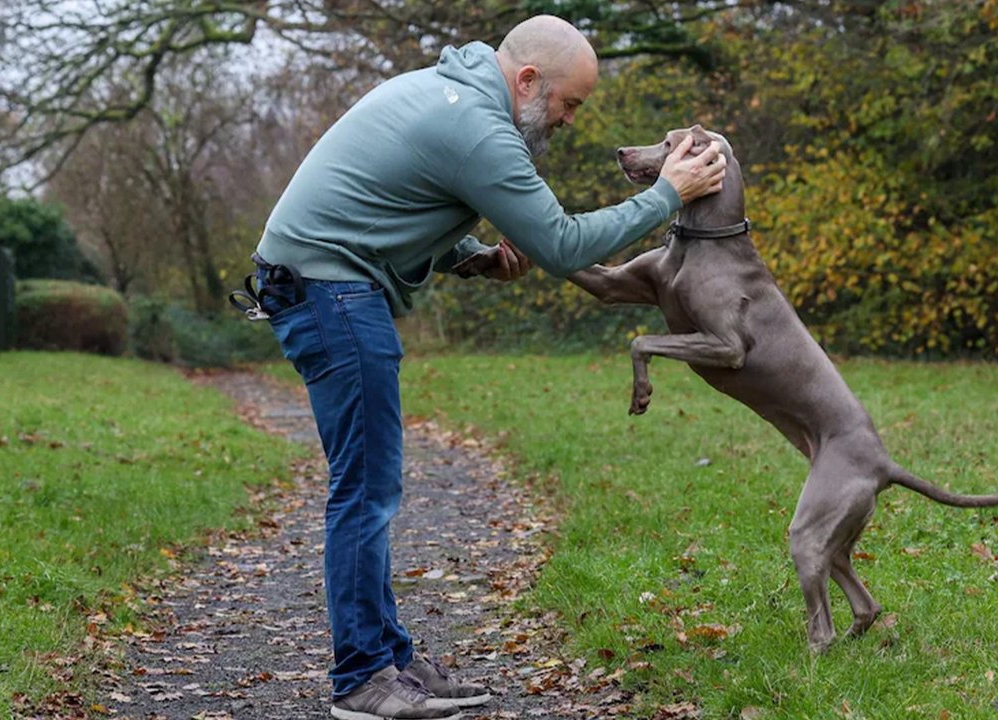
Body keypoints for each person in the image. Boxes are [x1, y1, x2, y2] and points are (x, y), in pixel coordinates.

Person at [251, 14, 725, 720]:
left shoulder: (445, 93)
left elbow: (391, 196)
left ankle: (392, 661)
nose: (567, 121)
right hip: (330, 292)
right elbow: (564, 244)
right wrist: (667, 195)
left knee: (372, 482)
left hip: (320, 284)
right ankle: (361, 680)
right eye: (569, 104)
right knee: (366, 488)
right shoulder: (477, 126)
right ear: (528, 79)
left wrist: (467, 254)